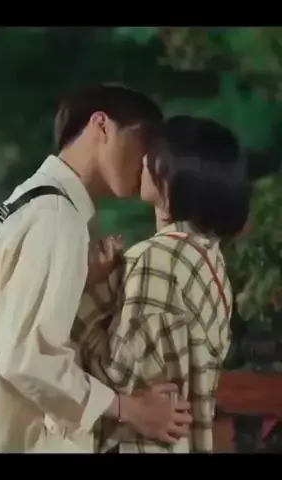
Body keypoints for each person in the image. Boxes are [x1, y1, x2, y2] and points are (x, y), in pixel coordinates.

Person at [0, 83, 193, 453]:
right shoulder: (56, 216)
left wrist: (81, 282)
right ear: (101, 126)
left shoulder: (32, 199)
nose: (147, 161)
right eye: (144, 142)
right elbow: (26, 357)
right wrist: (129, 408)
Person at [75, 115, 250, 453]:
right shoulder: (210, 260)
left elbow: (119, 372)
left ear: (176, 178)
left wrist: (88, 291)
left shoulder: (157, 260)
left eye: (156, 155)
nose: (144, 160)